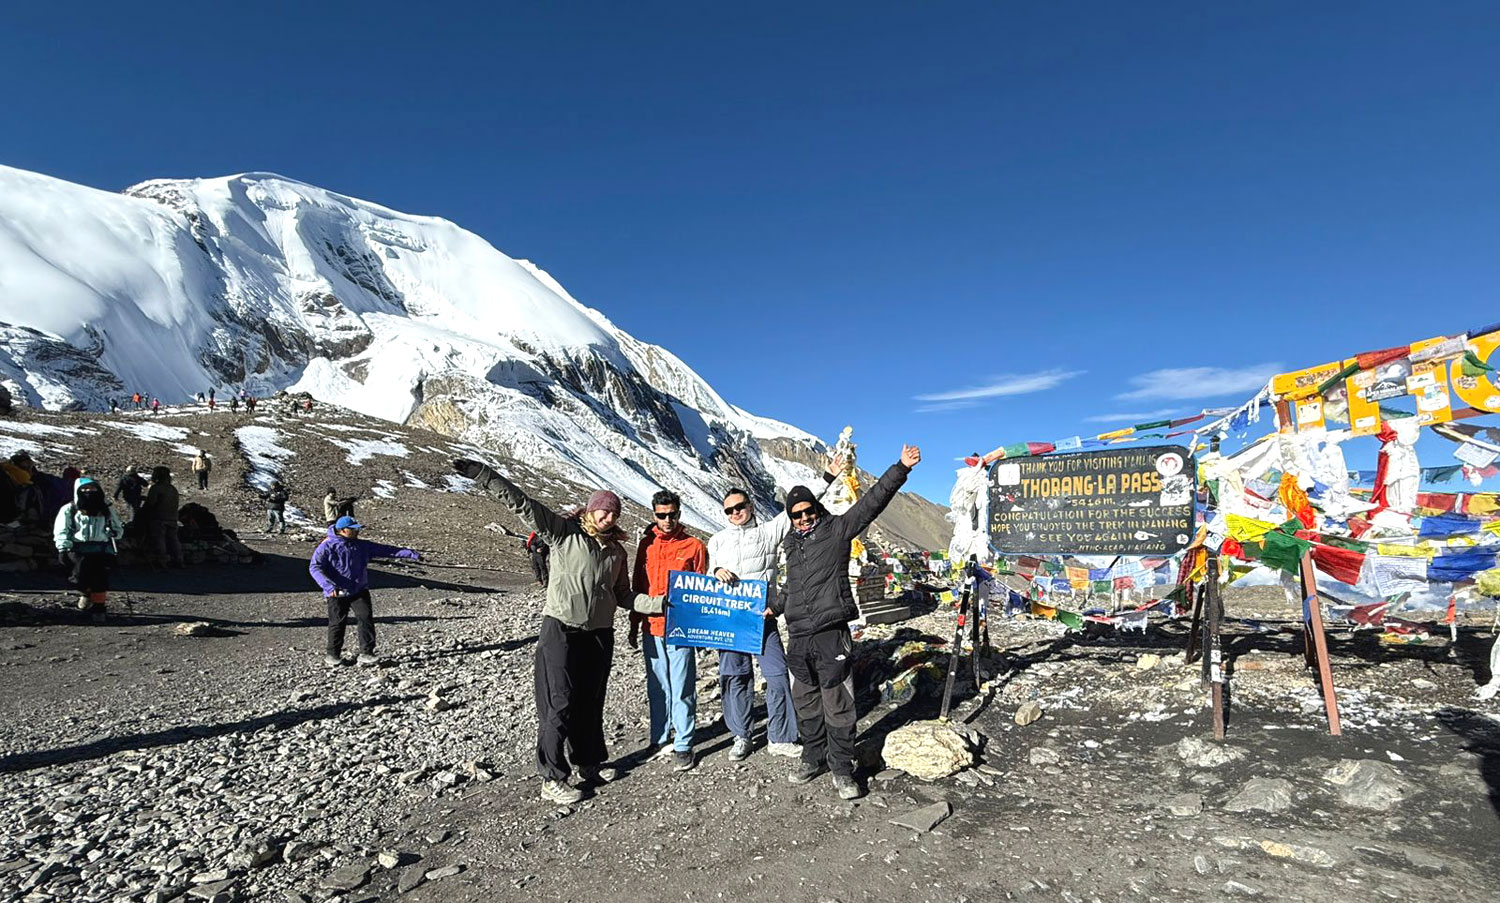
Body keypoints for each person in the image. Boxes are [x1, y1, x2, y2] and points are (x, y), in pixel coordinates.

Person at [453, 458, 633, 805]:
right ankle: (552, 777)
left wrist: (663, 604)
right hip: (562, 629)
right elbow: (524, 505)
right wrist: (484, 475)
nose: (608, 517)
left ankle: (589, 764)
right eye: (603, 511)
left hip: (599, 633)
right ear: (592, 511)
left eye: (614, 513)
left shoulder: (616, 552)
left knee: (591, 701)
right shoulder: (566, 535)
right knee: (559, 702)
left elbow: (622, 594)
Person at [774, 444, 921, 800]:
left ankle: (841, 768)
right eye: (797, 515)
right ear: (790, 517)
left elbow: (871, 503)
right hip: (798, 637)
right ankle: (813, 757)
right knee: (806, 702)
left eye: (808, 511)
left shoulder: (837, 530)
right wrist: (772, 605)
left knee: (838, 702)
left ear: (816, 508)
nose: (804, 519)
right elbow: (790, 588)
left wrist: (900, 468)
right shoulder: (791, 545)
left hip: (830, 634)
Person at [708, 458, 841, 762]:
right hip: (729, 621)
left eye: (739, 506)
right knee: (735, 677)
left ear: (750, 505)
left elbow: (798, 509)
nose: (735, 513)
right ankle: (741, 735)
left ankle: (780, 736)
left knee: (778, 674)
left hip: (761, 617)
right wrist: (716, 570)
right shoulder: (716, 540)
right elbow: (707, 575)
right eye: (729, 510)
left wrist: (828, 477)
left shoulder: (769, 532)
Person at [631, 490, 708, 771]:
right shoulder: (646, 546)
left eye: (671, 514)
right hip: (651, 627)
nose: (667, 520)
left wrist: (700, 631)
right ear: (654, 515)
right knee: (657, 686)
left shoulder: (694, 546)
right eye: (661, 515)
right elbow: (638, 586)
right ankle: (659, 738)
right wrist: (633, 623)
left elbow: (701, 590)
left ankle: (684, 743)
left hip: (681, 629)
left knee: (683, 686)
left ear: (679, 513)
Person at [309, 516, 421, 668]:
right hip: (337, 592)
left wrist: (410, 554)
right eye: (354, 529)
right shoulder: (327, 546)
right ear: (342, 530)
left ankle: (366, 653)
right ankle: (333, 655)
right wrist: (328, 587)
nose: (357, 531)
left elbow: (386, 550)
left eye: (357, 528)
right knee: (337, 623)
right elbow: (315, 567)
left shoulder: (362, 545)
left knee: (365, 618)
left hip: (359, 590)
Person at [53, 476, 124, 619]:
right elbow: (61, 529)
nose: (88, 492)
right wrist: (63, 548)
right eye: (84, 489)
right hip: (78, 549)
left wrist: (114, 533)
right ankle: (86, 594)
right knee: (78, 578)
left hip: (102, 549)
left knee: (101, 580)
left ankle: (99, 609)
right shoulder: (70, 509)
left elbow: (118, 528)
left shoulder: (106, 509)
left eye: (92, 488)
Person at [139, 466, 185, 568]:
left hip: (158, 518)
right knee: (173, 539)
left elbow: (151, 504)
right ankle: (179, 560)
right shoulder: (172, 489)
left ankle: (162, 562)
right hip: (172, 518)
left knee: (159, 540)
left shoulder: (156, 488)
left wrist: (142, 510)